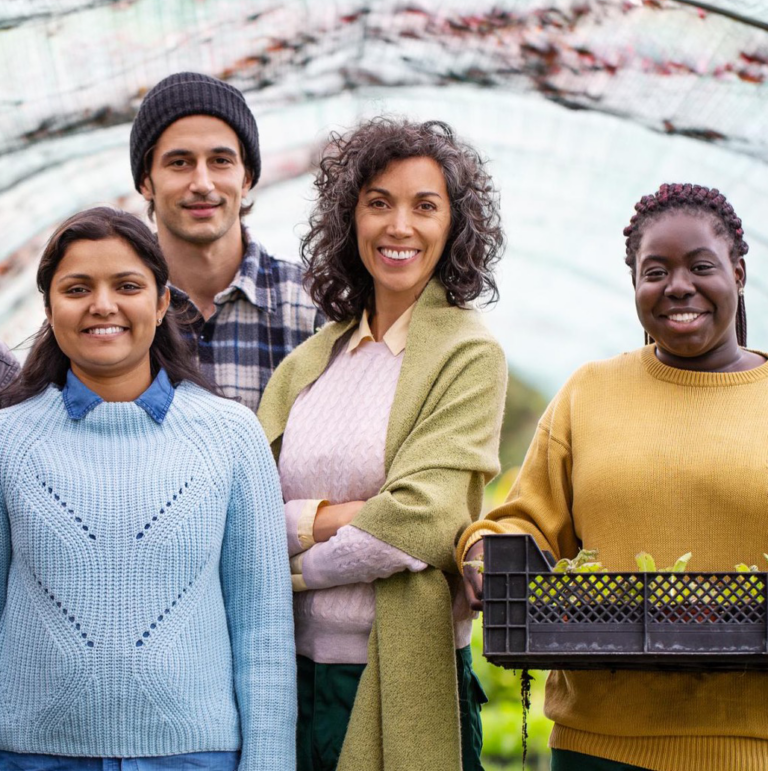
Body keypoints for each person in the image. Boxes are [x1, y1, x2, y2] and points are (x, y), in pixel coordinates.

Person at [460, 183, 768, 771]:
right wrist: (484, 551)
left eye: (701, 266)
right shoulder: (590, 393)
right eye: (656, 271)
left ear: (739, 272)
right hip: (598, 746)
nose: (679, 286)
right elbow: (525, 520)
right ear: (635, 285)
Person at [0, 207, 295, 770]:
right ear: (49, 307)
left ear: (162, 303)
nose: (102, 305)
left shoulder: (231, 436)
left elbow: (263, 635)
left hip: (194, 758)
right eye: (77, 288)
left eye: (127, 286)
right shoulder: (7, 440)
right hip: (30, 758)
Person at [258, 118, 507, 771]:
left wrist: (293, 569)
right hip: (292, 677)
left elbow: (418, 523)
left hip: (393, 670)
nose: (400, 226)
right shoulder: (312, 361)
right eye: (378, 203)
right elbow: (245, 512)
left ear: (454, 225)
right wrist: (336, 516)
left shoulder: (467, 353)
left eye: (425, 206)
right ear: (351, 220)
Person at [130, 71, 323, 413]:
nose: (202, 183)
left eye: (220, 161)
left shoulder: (311, 306)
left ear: (246, 177)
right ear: (146, 181)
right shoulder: (117, 308)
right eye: (180, 163)